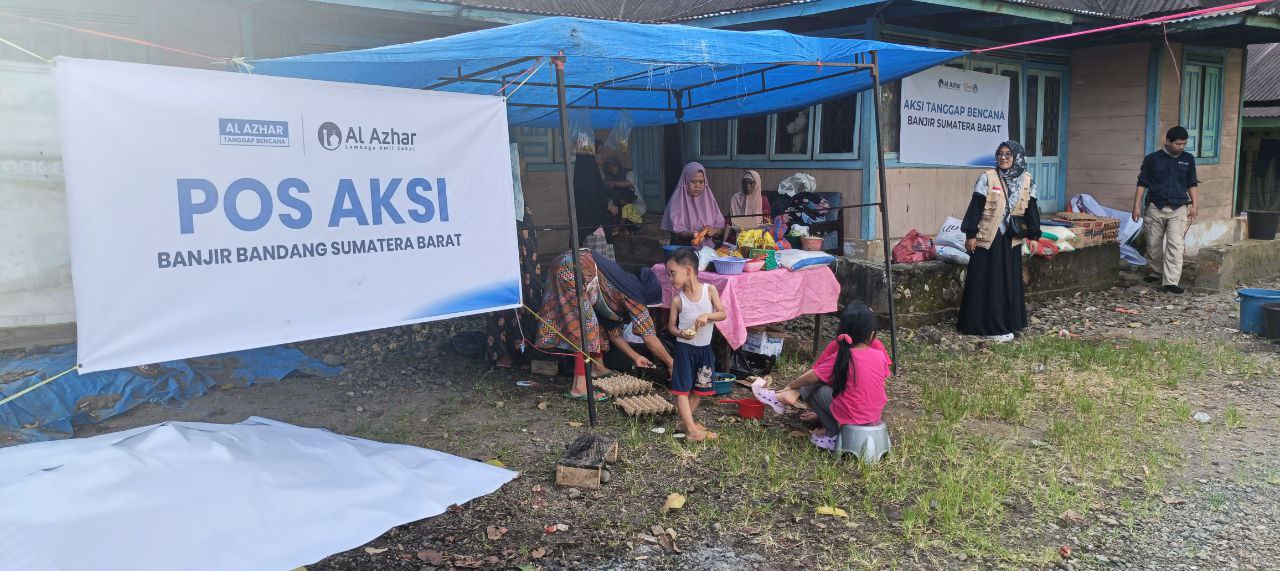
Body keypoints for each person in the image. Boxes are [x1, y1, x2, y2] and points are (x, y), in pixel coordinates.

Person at [535, 250, 674, 401]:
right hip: (573, 265)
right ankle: (579, 387)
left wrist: (636, 357)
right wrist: (671, 363)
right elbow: (649, 338)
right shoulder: (635, 295)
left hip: (567, 260)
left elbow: (613, 332)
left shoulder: (621, 288)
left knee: (597, 323)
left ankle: (597, 367)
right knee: (585, 325)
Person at [749, 303, 890, 451]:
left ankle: (831, 434)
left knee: (818, 388)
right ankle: (786, 396)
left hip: (851, 418)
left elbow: (813, 376)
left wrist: (791, 385)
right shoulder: (879, 355)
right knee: (829, 380)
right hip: (873, 416)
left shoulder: (845, 355)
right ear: (871, 334)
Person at [958, 141, 1042, 342]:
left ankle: (1009, 323)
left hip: (1011, 239)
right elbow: (976, 206)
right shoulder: (987, 178)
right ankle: (984, 325)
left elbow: (1032, 210)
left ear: (1017, 158)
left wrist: (1035, 236)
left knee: (1009, 280)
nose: (1003, 158)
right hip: (988, 237)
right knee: (986, 280)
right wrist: (970, 235)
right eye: (1000, 154)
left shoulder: (1027, 180)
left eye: (1008, 154)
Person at [485, 147, 542, 368]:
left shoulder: (521, 204)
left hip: (524, 253)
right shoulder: (496, 202)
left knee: (527, 296)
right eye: (519, 165)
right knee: (501, 299)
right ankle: (501, 354)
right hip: (502, 248)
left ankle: (524, 351)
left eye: (523, 164)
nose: (523, 169)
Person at [665, 247, 726, 442]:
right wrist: (682, 333)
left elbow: (722, 313)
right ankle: (691, 430)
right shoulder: (677, 300)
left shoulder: (710, 290)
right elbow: (671, 327)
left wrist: (707, 315)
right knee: (682, 390)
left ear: (689, 271)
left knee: (699, 389)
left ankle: (685, 424)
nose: (670, 278)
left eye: (672, 273)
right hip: (684, 350)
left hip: (704, 349)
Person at [1132, 126, 1199, 294]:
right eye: (1178, 144)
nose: (1182, 147)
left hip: (1179, 208)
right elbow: (1142, 184)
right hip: (1155, 207)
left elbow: (1192, 183)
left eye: (1184, 144)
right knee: (1153, 244)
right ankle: (1157, 272)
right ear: (1168, 141)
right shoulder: (1152, 159)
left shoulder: (1188, 159)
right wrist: (1136, 207)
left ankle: (1171, 281)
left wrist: (1195, 205)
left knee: (1175, 245)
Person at [662, 162, 725, 248]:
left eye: (701, 182)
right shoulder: (676, 202)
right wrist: (693, 234)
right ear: (686, 181)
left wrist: (713, 230)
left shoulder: (709, 199)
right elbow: (677, 231)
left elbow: (720, 226)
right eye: (693, 182)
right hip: (684, 251)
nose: (698, 186)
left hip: (708, 251)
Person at [573, 151, 617, 261]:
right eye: (598, 151)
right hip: (597, 229)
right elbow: (596, 199)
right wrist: (608, 206)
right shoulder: (590, 170)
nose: (603, 155)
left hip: (587, 228)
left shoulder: (582, 170)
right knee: (601, 265)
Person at [724, 170, 771, 242]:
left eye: (751, 183)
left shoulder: (763, 201)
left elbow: (766, 225)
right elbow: (729, 222)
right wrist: (724, 242)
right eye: (745, 183)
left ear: (757, 184)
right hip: (736, 239)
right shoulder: (736, 199)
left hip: (755, 240)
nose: (747, 186)